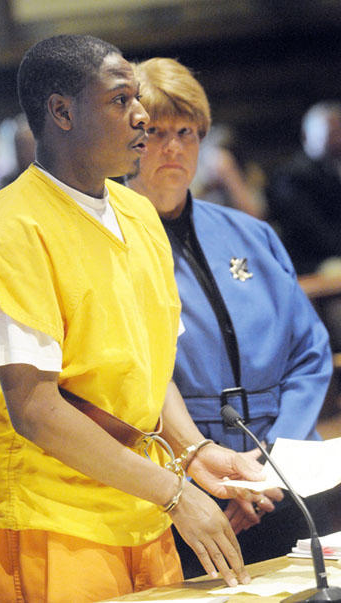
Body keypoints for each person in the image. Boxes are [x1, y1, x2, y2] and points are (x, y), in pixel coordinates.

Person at [0, 35, 265, 603]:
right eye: (121, 101)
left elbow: (149, 369)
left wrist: (193, 452)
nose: (142, 116)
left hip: (141, 503)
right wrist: (174, 493)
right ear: (62, 111)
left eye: (136, 99)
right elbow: (35, 410)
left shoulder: (138, 211)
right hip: (53, 517)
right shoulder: (13, 228)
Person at [126, 57, 333, 575]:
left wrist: (271, 468)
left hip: (286, 469)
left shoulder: (251, 235)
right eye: (155, 132)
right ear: (129, 139)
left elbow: (309, 356)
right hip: (186, 481)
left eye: (187, 132)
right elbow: (134, 379)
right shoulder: (114, 244)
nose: (173, 147)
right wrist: (209, 471)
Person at [267, 101, 341, 276]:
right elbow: (315, 235)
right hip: (309, 262)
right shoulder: (290, 177)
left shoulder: (332, 169)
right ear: (307, 135)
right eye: (331, 134)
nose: (338, 140)